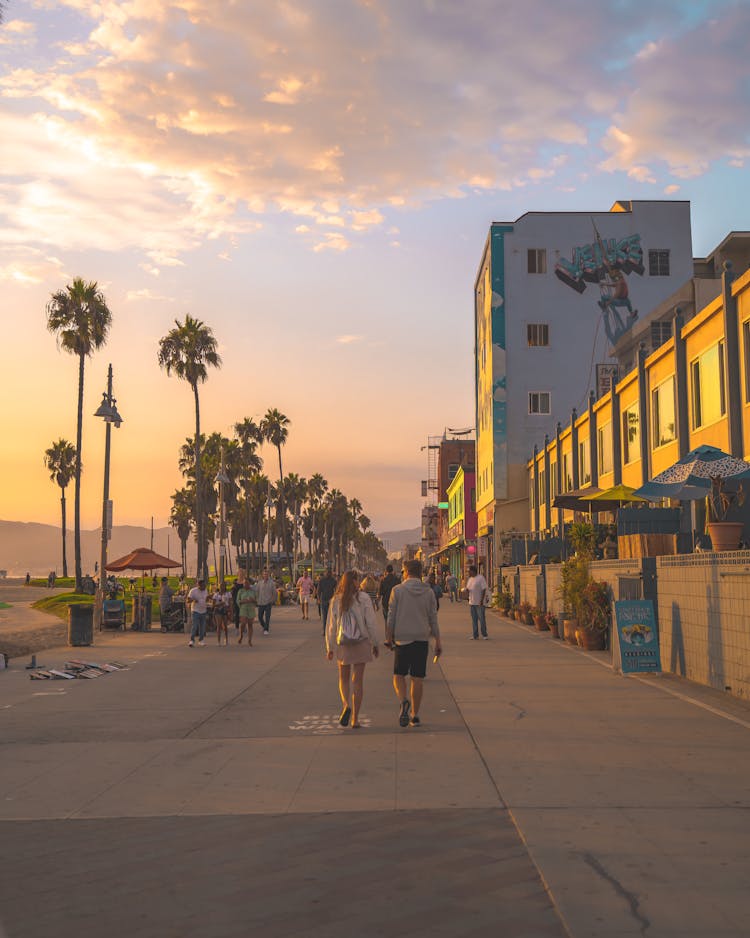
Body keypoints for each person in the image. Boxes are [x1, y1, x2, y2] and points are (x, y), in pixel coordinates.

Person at [386, 559, 441, 728]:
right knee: (417, 678)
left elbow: (391, 617)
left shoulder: (397, 591)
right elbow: (433, 618)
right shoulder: (429, 592)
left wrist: (389, 637)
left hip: (402, 639)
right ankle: (415, 715)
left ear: (406, 572)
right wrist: (438, 641)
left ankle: (404, 701)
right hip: (421, 639)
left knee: (399, 675)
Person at [325, 570, 379, 729]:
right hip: (361, 642)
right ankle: (355, 718)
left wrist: (330, 647)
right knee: (358, 681)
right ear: (355, 581)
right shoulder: (363, 598)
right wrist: (375, 643)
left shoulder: (336, 600)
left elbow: (331, 625)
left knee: (343, 678)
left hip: (343, 644)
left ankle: (346, 704)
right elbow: (371, 623)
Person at [466, 564, 489, 640]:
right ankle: (475, 635)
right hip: (472, 602)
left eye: (469, 571)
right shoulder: (470, 579)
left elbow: (484, 589)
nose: (468, 573)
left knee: (481, 619)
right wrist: (466, 591)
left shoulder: (480, 578)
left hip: (479, 603)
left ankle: (484, 634)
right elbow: (468, 588)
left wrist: (481, 600)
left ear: (473, 571)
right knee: (474, 619)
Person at [187, 578, 209, 647]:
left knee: (202, 627)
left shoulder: (205, 590)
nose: (204, 587)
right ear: (198, 585)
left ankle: (201, 640)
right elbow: (188, 600)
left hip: (203, 610)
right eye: (202, 586)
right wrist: (193, 600)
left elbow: (206, 599)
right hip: (195, 610)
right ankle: (192, 640)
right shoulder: (193, 591)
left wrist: (209, 598)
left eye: (205, 585)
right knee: (195, 625)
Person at [236, 576, 257, 645]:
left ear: (250, 584)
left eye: (247, 583)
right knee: (243, 623)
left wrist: (253, 600)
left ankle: (249, 640)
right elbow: (237, 600)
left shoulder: (253, 591)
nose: (246, 584)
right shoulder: (240, 591)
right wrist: (242, 601)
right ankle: (241, 636)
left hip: (251, 609)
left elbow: (257, 600)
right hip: (243, 609)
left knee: (250, 625)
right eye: (244, 583)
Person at [317, 567, 337, 636]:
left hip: (331, 600)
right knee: (325, 616)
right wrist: (319, 599)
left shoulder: (334, 581)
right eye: (327, 572)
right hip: (324, 600)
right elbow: (319, 590)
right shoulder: (321, 580)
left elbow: (336, 590)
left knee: (331, 617)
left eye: (329, 572)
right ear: (325, 572)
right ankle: (325, 631)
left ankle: (330, 630)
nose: (328, 573)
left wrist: (335, 598)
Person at [256, 569, 277, 635]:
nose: (265, 575)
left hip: (268, 602)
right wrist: (256, 599)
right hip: (261, 602)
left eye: (267, 574)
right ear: (262, 575)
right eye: (264, 574)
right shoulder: (260, 583)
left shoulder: (272, 583)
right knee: (259, 617)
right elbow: (257, 591)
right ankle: (264, 626)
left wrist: (273, 600)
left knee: (267, 617)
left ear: (268, 575)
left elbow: (275, 593)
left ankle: (266, 629)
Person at [212, 581, 232, 646]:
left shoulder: (228, 594)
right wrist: (220, 604)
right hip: (218, 610)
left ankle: (226, 639)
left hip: (225, 609)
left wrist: (230, 611)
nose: (222, 587)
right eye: (221, 586)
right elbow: (213, 604)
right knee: (219, 625)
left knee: (225, 626)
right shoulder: (216, 594)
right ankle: (218, 641)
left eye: (223, 586)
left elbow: (230, 603)